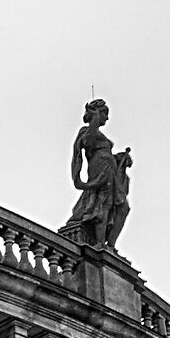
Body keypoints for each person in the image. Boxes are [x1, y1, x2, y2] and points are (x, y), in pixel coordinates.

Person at [60, 97, 131, 252]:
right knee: (103, 204)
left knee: (123, 207)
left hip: (109, 170)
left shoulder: (98, 134)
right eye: (105, 113)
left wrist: (119, 158)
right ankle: (100, 244)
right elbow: (88, 143)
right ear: (98, 112)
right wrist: (94, 119)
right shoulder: (86, 131)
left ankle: (110, 245)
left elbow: (105, 151)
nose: (107, 117)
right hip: (100, 170)